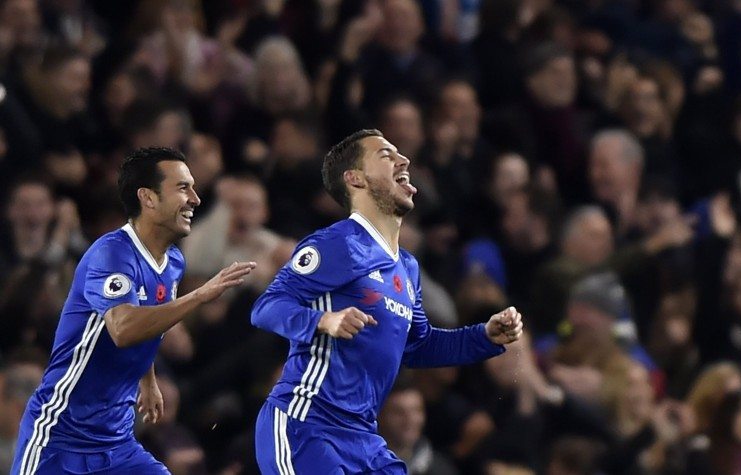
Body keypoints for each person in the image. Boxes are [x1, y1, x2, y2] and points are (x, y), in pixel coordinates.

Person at [250, 129, 523, 474]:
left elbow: (417, 346)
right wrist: (323, 320)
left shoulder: (407, 267)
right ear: (355, 179)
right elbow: (267, 307)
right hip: (307, 425)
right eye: (385, 155)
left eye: (399, 154)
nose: (403, 160)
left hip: (364, 439)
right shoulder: (338, 243)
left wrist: (483, 337)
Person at [11, 147, 256, 474]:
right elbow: (124, 328)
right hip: (61, 437)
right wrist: (199, 296)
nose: (195, 199)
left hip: (116, 440)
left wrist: (147, 379)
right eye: (183, 188)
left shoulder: (173, 262)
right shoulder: (111, 254)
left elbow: (148, 323)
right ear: (148, 198)